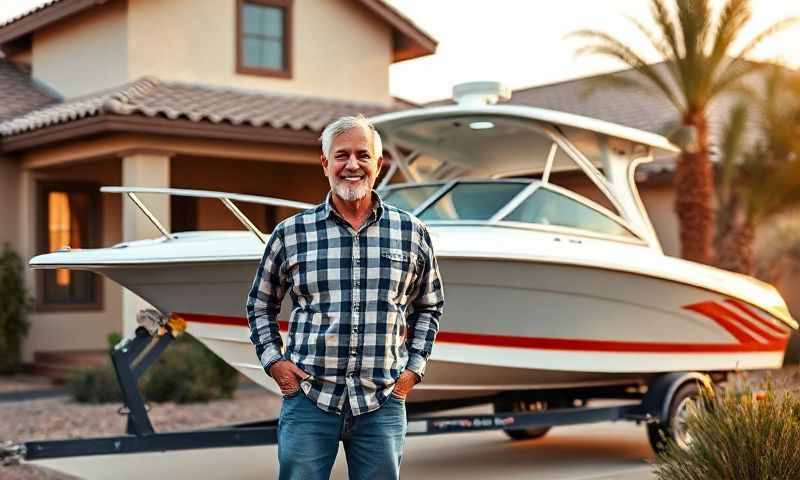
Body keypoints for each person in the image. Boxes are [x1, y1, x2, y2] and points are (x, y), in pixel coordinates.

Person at [246, 114, 444, 480]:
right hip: (309, 399)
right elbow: (260, 305)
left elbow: (429, 306)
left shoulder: (412, 232)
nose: (351, 165)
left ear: (378, 164)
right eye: (341, 156)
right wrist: (275, 363)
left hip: (382, 400)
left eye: (362, 155)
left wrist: (413, 370)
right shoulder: (291, 234)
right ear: (325, 164)